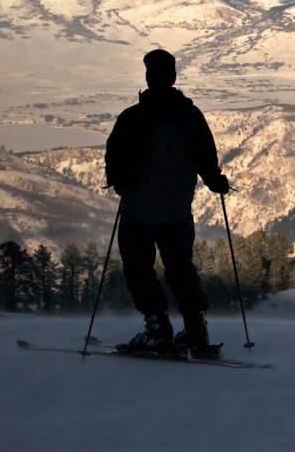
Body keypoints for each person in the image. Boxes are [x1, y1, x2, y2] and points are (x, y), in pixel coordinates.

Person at [105, 49, 230, 359]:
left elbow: (114, 158)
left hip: (138, 209)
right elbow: (206, 157)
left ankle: (157, 330)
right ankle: (196, 328)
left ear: (149, 77)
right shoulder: (190, 117)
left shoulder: (133, 117)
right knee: (180, 267)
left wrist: (121, 183)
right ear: (173, 77)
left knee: (139, 268)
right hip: (177, 209)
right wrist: (215, 181)